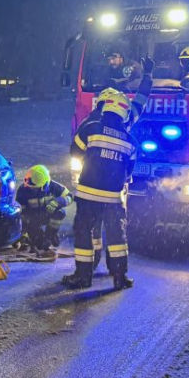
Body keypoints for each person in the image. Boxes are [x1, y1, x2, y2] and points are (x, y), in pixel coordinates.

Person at [64, 90, 138, 291]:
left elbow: (75, 152)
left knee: (84, 233)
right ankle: (119, 277)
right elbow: (128, 172)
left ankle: (83, 277)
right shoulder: (130, 141)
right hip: (113, 199)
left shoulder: (91, 128)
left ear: (105, 107)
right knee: (116, 237)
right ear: (124, 113)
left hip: (87, 195)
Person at [16, 165, 72, 257]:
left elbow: (70, 197)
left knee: (60, 212)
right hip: (32, 219)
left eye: (34, 188)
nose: (30, 189)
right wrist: (23, 235)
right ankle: (39, 240)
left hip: (48, 214)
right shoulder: (23, 190)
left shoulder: (54, 187)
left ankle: (51, 234)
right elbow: (21, 215)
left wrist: (58, 202)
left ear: (44, 186)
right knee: (41, 245)